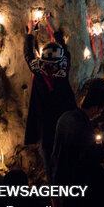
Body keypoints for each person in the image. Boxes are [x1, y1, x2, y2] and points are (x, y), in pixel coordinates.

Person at [50, 78, 104, 207]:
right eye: (102, 108)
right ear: (97, 107)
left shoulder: (66, 117)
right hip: (79, 188)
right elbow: (89, 159)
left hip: (64, 183)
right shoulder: (82, 127)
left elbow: (57, 154)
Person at [23, 16, 77, 178]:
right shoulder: (63, 70)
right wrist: (53, 29)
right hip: (64, 124)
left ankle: (54, 194)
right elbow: (65, 50)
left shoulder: (38, 71)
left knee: (49, 164)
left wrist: (30, 32)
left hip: (45, 126)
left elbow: (28, 54)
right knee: (65, 161)